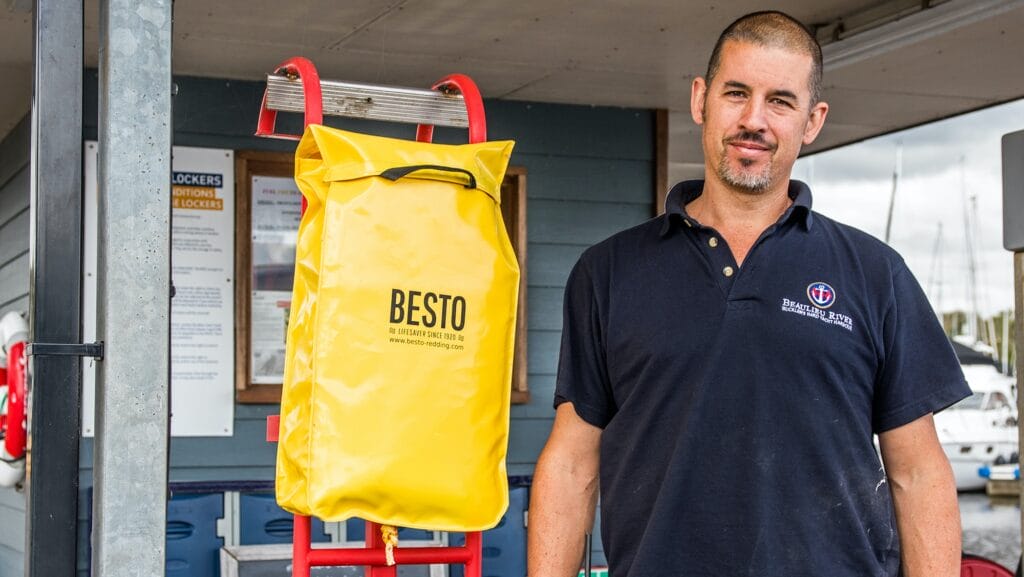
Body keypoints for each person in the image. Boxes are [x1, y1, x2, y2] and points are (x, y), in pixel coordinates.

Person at [527, 10, 970, 577]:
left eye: (780, 101)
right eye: (736, 93)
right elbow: (571, 464)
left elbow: (918, 472)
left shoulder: (875, 274)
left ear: (813, 121)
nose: (753, 119)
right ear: (700, 100)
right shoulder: (608, 272)